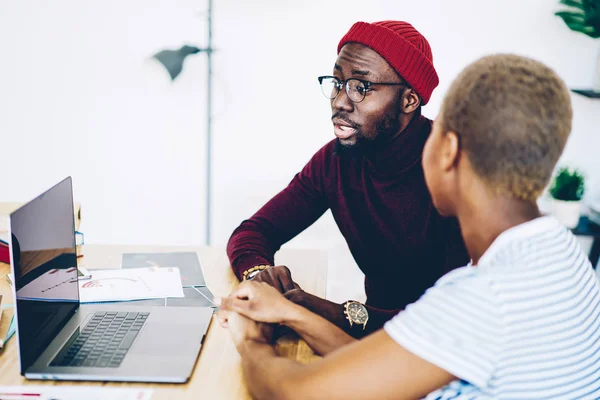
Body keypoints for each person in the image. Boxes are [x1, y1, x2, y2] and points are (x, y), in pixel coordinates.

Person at [217, 54, 600, 399]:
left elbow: (297, 392)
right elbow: (396, 361)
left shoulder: (481, 300)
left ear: (447, 150)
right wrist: (293, 312)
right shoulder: (562, 256)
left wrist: (250, 341)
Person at [226, 20, 468, 337]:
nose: (340, 101)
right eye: (338, 83)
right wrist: (260, 275)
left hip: (448, 350)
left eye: (360, 87)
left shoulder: (456, 168)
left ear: (409, 100)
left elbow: (450, 315)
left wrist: (329, 312)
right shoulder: (336, 162)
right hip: (373, 340)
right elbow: (254, 231)